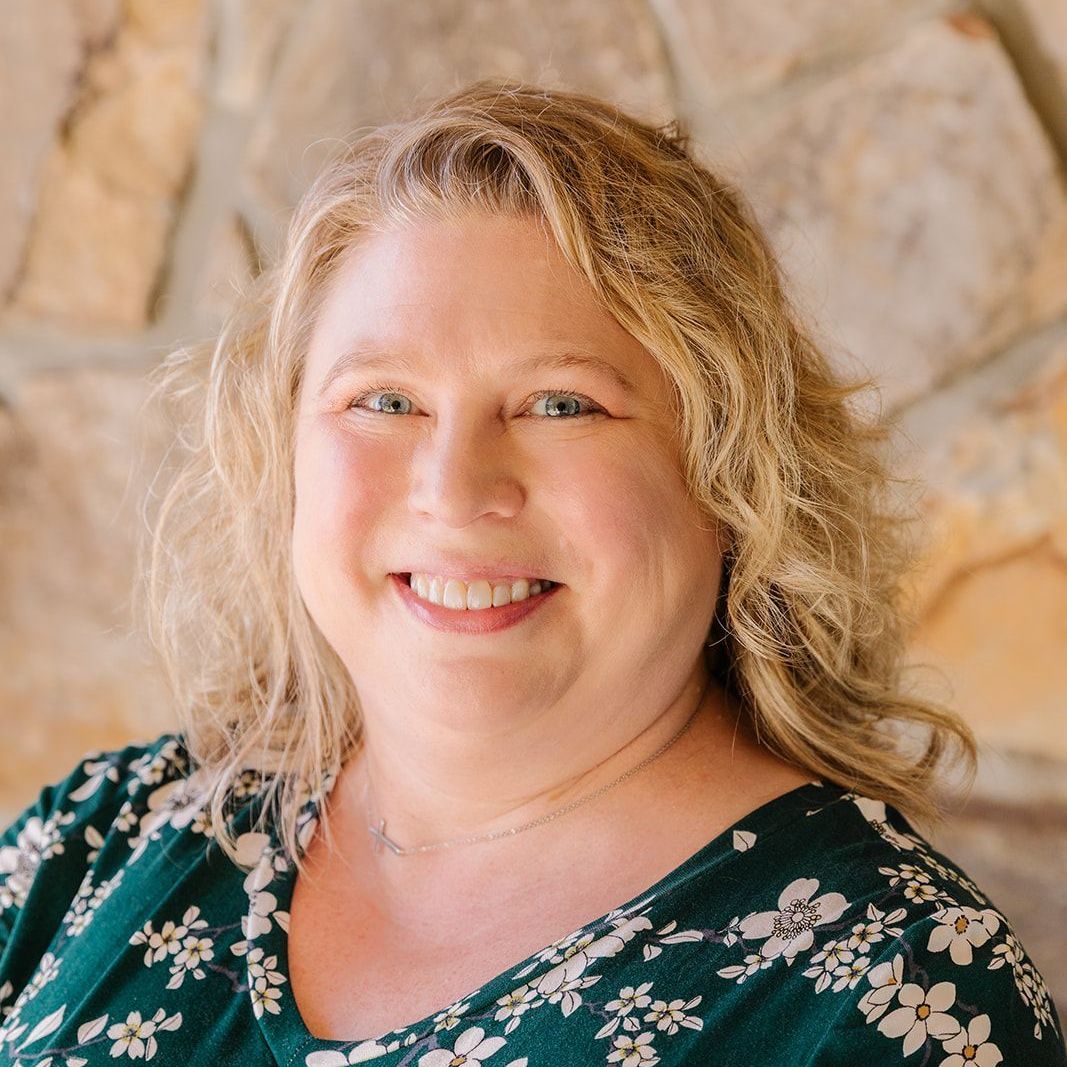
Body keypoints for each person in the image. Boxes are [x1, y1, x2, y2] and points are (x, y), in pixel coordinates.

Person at [0, 79, 1063, 1067]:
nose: (453, 489)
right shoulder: (103, 838)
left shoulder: (892, 996)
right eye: (384, 400)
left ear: (734, 475)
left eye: (561, 404)